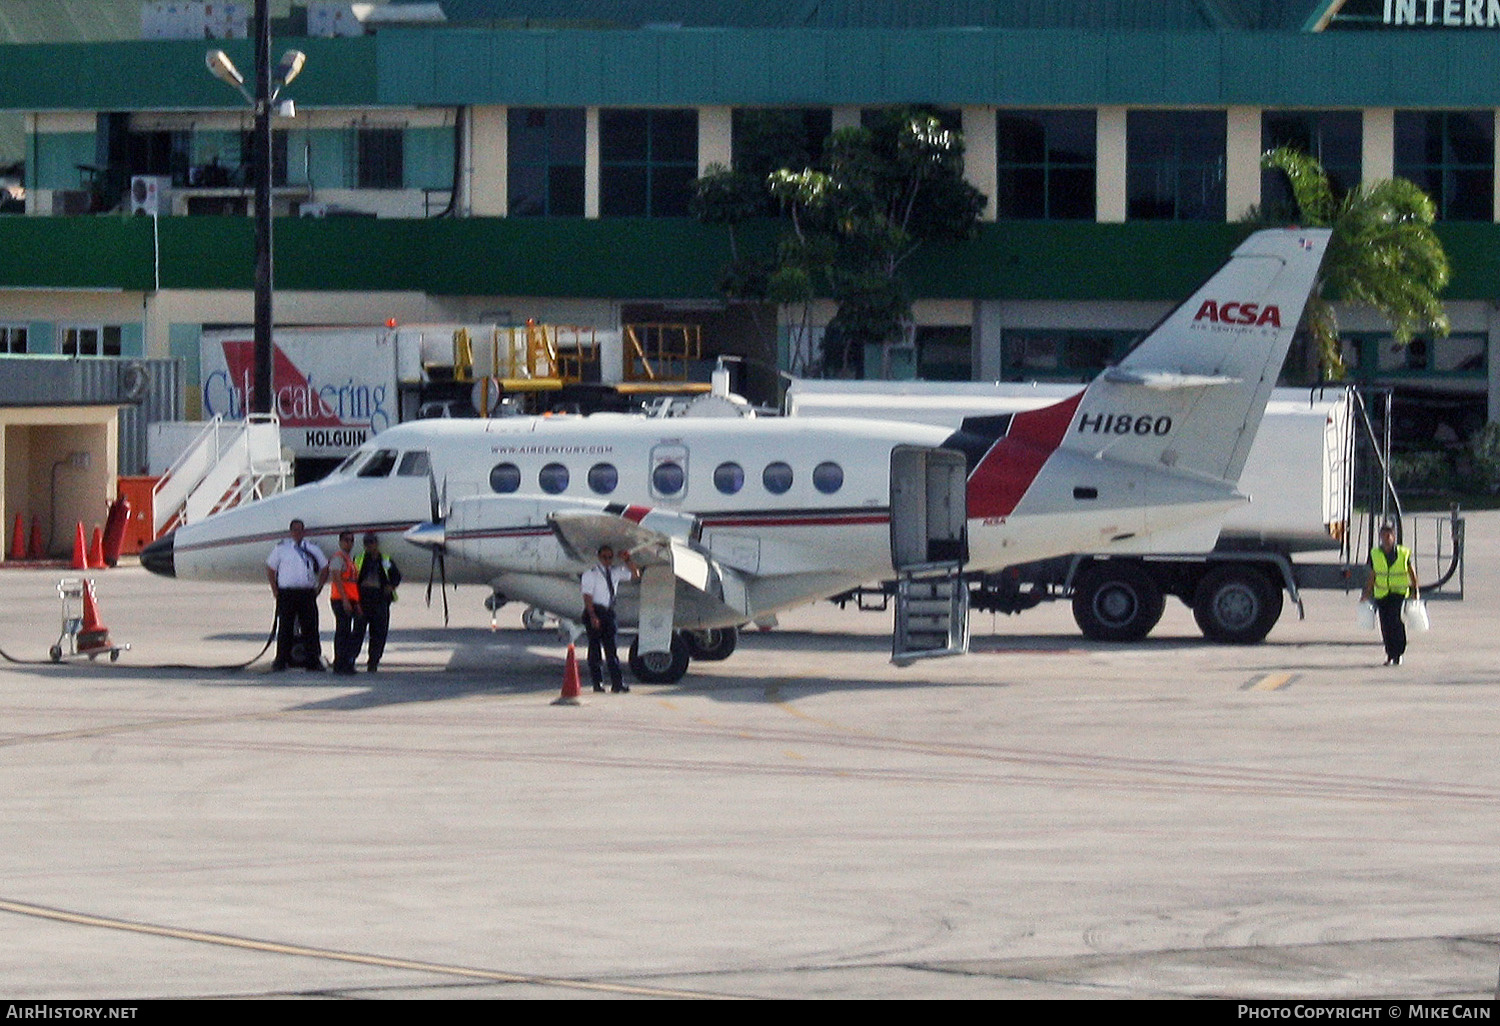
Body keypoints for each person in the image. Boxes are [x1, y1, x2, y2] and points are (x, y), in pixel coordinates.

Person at [266, 518, 329, 671]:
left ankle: (313, 660)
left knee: (310, 628)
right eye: (294, 530)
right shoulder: (282, 548)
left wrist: (319, 587)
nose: (297, 533)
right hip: (287, 593)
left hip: (306, 593)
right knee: (285, 628)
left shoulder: (312, 548)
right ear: (290, 531)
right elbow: (270, 568)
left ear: (304, 532)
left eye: (300, 530)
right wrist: (275, 589)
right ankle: (281, 660)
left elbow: (325, 567)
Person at [580, 544, 639, 693]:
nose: (607, 560)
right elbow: (587, 597)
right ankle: (597, 682)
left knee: (612, 650)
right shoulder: (591, 574)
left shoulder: (615, 572)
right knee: (595, 650)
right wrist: (592, 615)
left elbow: (635, 574)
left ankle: (617, 683)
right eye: (604, 557)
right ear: (599, 558)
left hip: (608, 612)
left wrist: (627, 559)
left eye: (610, 557)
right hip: (595, 610)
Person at [1361, 521, 1419, 666]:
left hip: (1398, 592)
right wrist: (1367, 593)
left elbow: (1411, 572)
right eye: (1384, 535)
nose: (1386, 538)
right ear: (1380, 537)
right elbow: (1372, 575)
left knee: (1395, 621)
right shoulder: (1375, 554)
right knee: (1385, 624)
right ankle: (1389, 653)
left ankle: (1398, 652)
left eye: (1389, 535)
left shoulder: (1403, 553)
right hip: (1382, 593)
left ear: (1394, 536)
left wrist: (1415, 589)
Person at [352, 533, 401, 673]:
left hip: (380, 600)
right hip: (363, 599)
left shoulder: (385, 560)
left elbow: (396, 576)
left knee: (379, 633)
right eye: (367, 543)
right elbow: (353, 579)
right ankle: (351, 658)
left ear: (376, 544)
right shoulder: (359, 559)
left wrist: (391, 587)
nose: (370, 546)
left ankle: (373, 662)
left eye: (372, 543)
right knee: (357, 633)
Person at [327, 531, 361, 675]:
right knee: (342, 632)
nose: (349, 543)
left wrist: (356, 603)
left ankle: (345, 662)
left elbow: (352, 584)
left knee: (347, 632)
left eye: (351, 540)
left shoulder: (349, 560)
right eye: (346, 540)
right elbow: (337, 578)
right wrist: (345, 600)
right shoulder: (338, 558)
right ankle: (340, 664)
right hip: (341, 600)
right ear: (340, 542)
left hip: (350, 600)